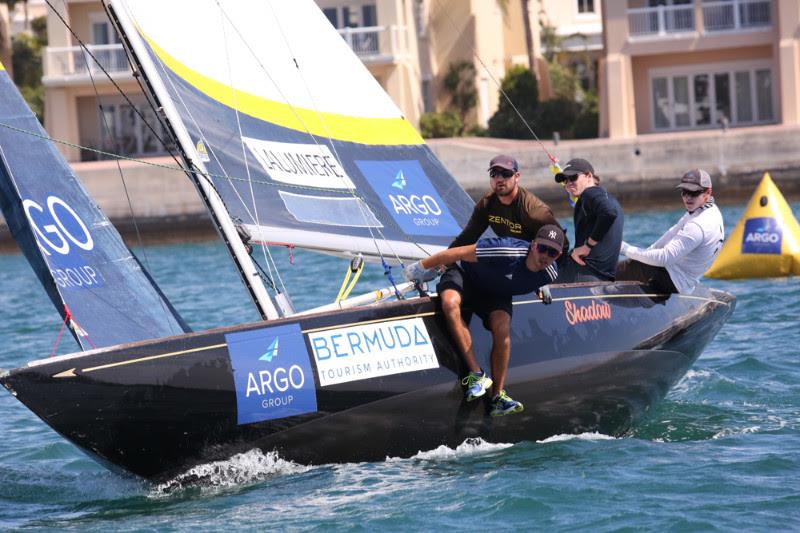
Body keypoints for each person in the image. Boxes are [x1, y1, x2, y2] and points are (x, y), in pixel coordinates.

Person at [405, 224, 564, 417]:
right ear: (533, 245)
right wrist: (421, 267)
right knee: (449, 303)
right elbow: (458, 252)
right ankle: (477, 375)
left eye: (553, 252)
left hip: (496, 292)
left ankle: (498, 396)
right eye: (542, 248)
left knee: (502, 327)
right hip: (465, 275)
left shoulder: (549, 274)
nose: (545, 255)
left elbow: (529, 276)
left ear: (559, 254)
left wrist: (540, 285)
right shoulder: (505, 249)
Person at [616, 169, 724, 294]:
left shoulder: (698, 225)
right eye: (684, 192)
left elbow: (665, 258)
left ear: (708, 192)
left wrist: (625, 249)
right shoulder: (709, 210)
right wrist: (646, 253)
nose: (688, 197)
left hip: (672, 281)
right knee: (635, 263)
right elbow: (673, 232)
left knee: (613, 274)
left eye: (693, 193)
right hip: (679, 277)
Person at [554, 158, 623, 282]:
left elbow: (609, 213)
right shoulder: (605, 197)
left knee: (536, 273)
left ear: (589, 176)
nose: (568, 183)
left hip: (585, 273)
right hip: (602, 275)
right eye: (565, 180)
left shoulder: (590, 193)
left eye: (573, 177)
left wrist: (588, 245)